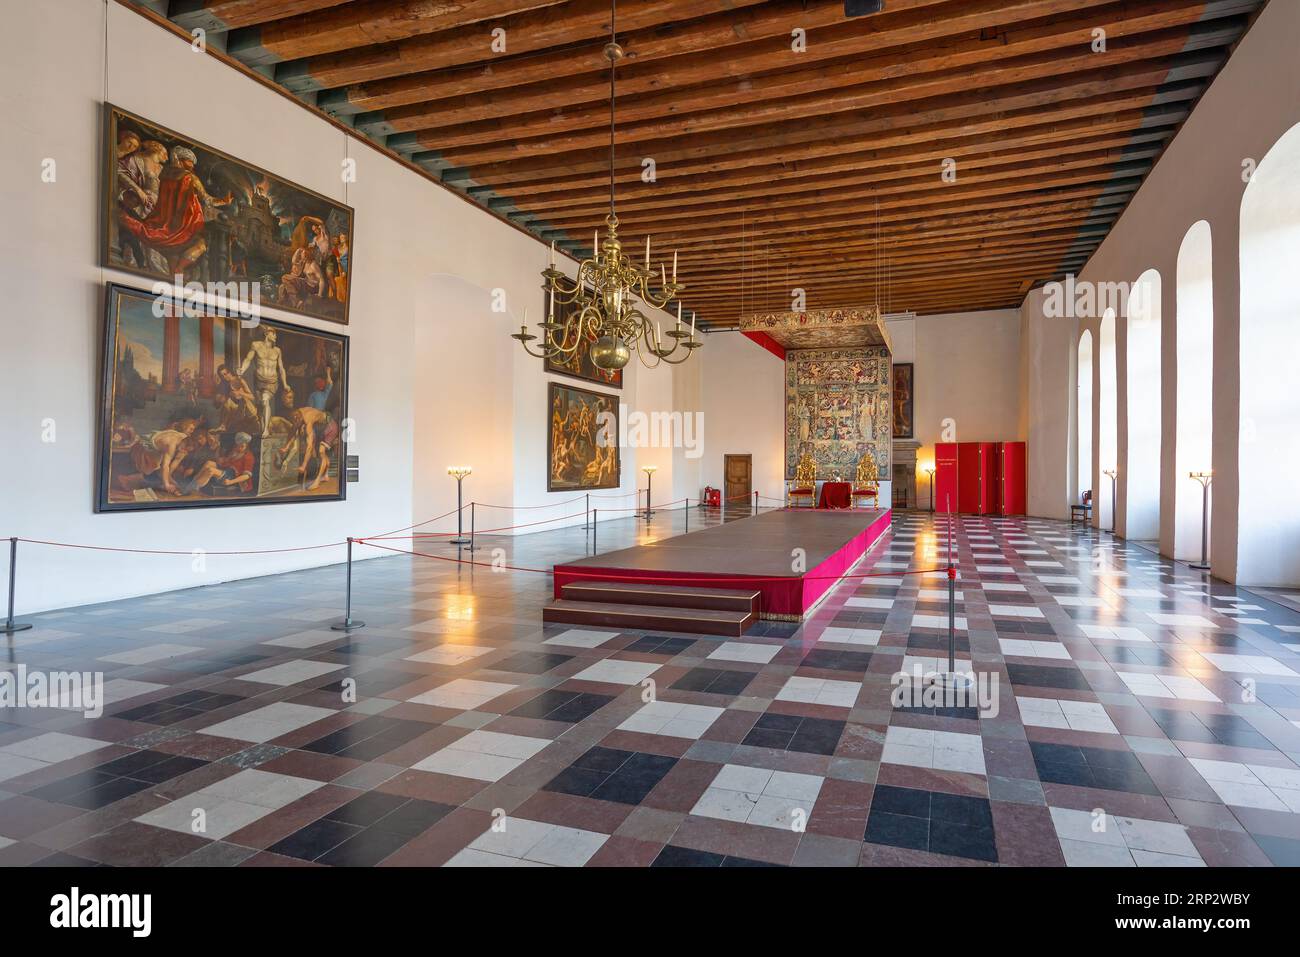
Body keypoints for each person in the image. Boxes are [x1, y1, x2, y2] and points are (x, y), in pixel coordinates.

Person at [117, 145, 233, 277]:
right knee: (201, 246)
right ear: (180, 159)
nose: (192, 165)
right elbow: (207, 199)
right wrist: (224, 201)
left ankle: (175, 279)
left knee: (173, 261)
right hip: (187, 225)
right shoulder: (190, 177)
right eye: (189, 161)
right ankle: (179, 269)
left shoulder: (165, 175)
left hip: (167, 223)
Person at [238, 327, 288, 437]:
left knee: (265, 401)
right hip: (259, 381)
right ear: (266, 333)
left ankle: (266, 429)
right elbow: (248, 359)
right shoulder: (256, 345)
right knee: (261, 407)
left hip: (272, 382)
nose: (275, 336)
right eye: (273, 333)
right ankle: (262, 428)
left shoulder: (277, 350)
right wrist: (242, 369)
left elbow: (281, 368)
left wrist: (285, 384)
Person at [189, 432, 256, 495]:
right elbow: (226, 463)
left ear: (247, 446)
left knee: (210, 470)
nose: (239, 448)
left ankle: (193, 489)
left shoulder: (248, 457)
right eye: (238, 445)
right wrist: (222, 459)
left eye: (242, 446)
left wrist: (231, 482)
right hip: (226, 471)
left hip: (233, 478)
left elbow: (247, 476)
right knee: (209, 463)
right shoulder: (235, 451)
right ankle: (194, 481)